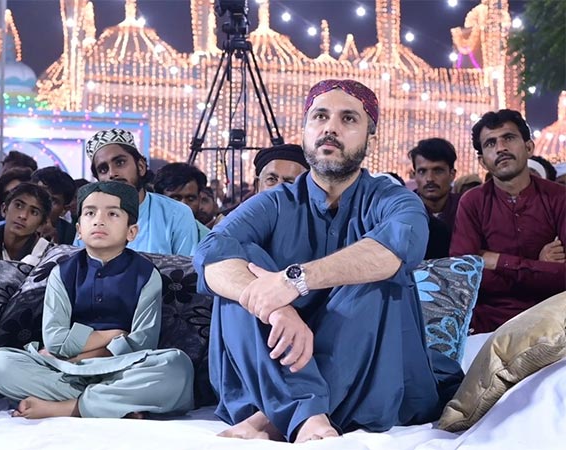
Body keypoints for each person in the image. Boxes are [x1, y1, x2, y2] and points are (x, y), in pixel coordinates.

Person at [194, 79, 462, 443]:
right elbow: (210, 251)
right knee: (238, 264)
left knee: (373, 267)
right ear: (305, 131)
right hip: (271, 361)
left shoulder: (393, 200)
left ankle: (275, 418)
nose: (330, 128)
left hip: (368, 378)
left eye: (348, 119)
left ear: (372, 138)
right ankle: (305, 414)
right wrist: (274, 307)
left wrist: (292, 281)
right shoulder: (276, 202)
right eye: (320, 116)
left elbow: (400, 246)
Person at [0, 181, 194, 419]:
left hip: (122, 368)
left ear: (131, 231)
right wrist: (112, 334)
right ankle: (113, 404)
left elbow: (142, 343)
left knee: (177, 367)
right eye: (90, 212)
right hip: (64, 370)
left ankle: (69, 407)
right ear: (79, 229)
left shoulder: (146, 275)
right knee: (0, 364)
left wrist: (79, 355)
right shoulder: (62, 273)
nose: (99, 220)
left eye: (113, 213)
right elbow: (54, 340)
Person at [450, 109, 566, 333]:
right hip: (490, 325)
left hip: (555, 320)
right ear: (483, 162)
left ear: (529, 147)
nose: (501, 148)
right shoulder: (472, 202)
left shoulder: (559, 198)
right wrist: (540, 267)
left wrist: (497, 261)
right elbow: (464, 277)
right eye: (490, 143)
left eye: (509, 138)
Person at [78, 129, 198, 256]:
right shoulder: (89, 218)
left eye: (120, 162)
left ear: (140, 167)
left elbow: (186, 271)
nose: (112, 173)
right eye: (103, 169)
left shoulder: (176, 214)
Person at [0, 182, 54, 266]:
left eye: (34, 212)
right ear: (4, 209)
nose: (23, 216)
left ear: (41, 225)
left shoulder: (49, 257)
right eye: (18, 206)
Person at [152, 162, 211, 242]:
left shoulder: (208, 241)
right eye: (175, 198)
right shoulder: (141, 234)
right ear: (158, 199)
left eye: (190, 199)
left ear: (199, 199)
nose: (184, 205)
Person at [30, 166, 77, 245]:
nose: (42, 204)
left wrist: (54, 245)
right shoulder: (8, 226)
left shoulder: (72, 235)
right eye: (37, 195)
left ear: (64, 210)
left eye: (52, 200)